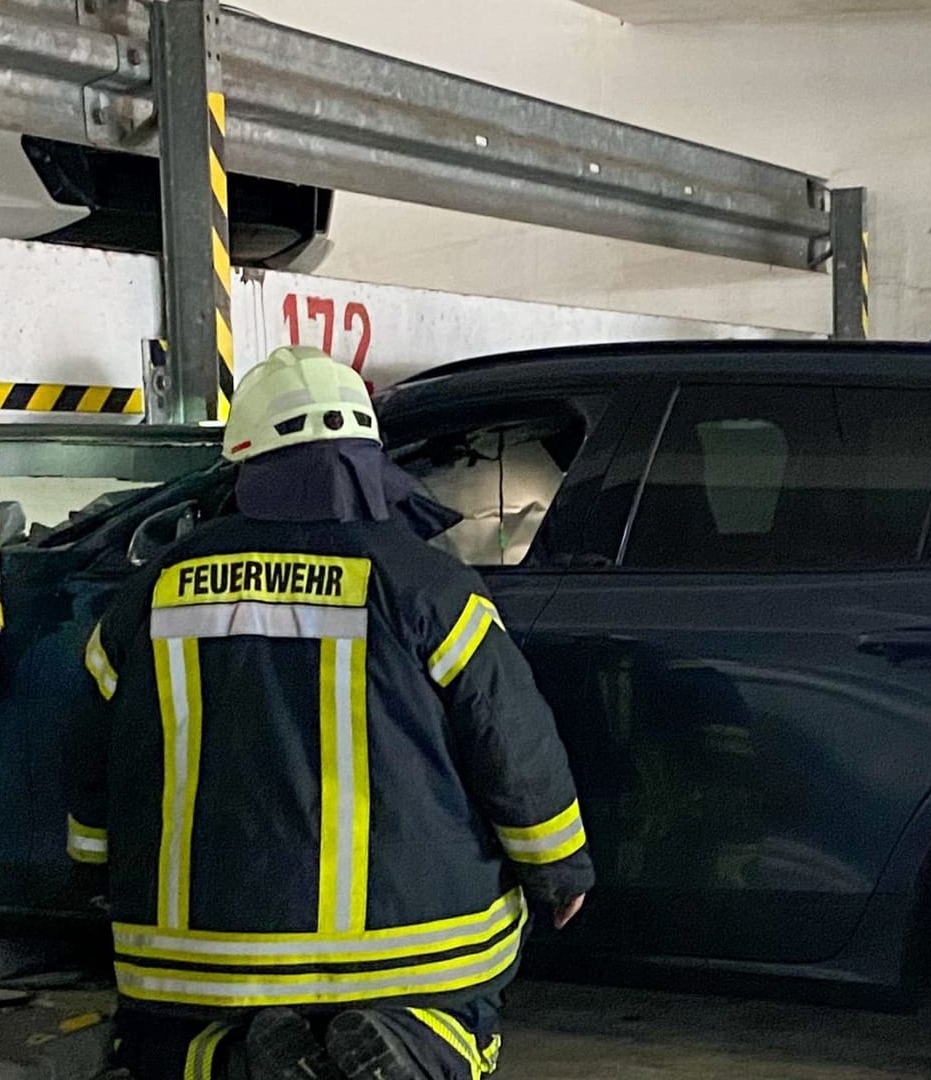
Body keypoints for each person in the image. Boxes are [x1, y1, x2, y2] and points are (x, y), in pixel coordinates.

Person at [66, 346, 594, 1080]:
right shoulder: (427, 584)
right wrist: (558, 865)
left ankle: (228, 1060)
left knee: (161, 1040)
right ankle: (420, 1041)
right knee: (464, 1011)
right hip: (413, 941)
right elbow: (509, 735)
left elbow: (91, 748)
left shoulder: (151, 590)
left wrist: (92, 865)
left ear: (245, 460)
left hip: (201, 949)